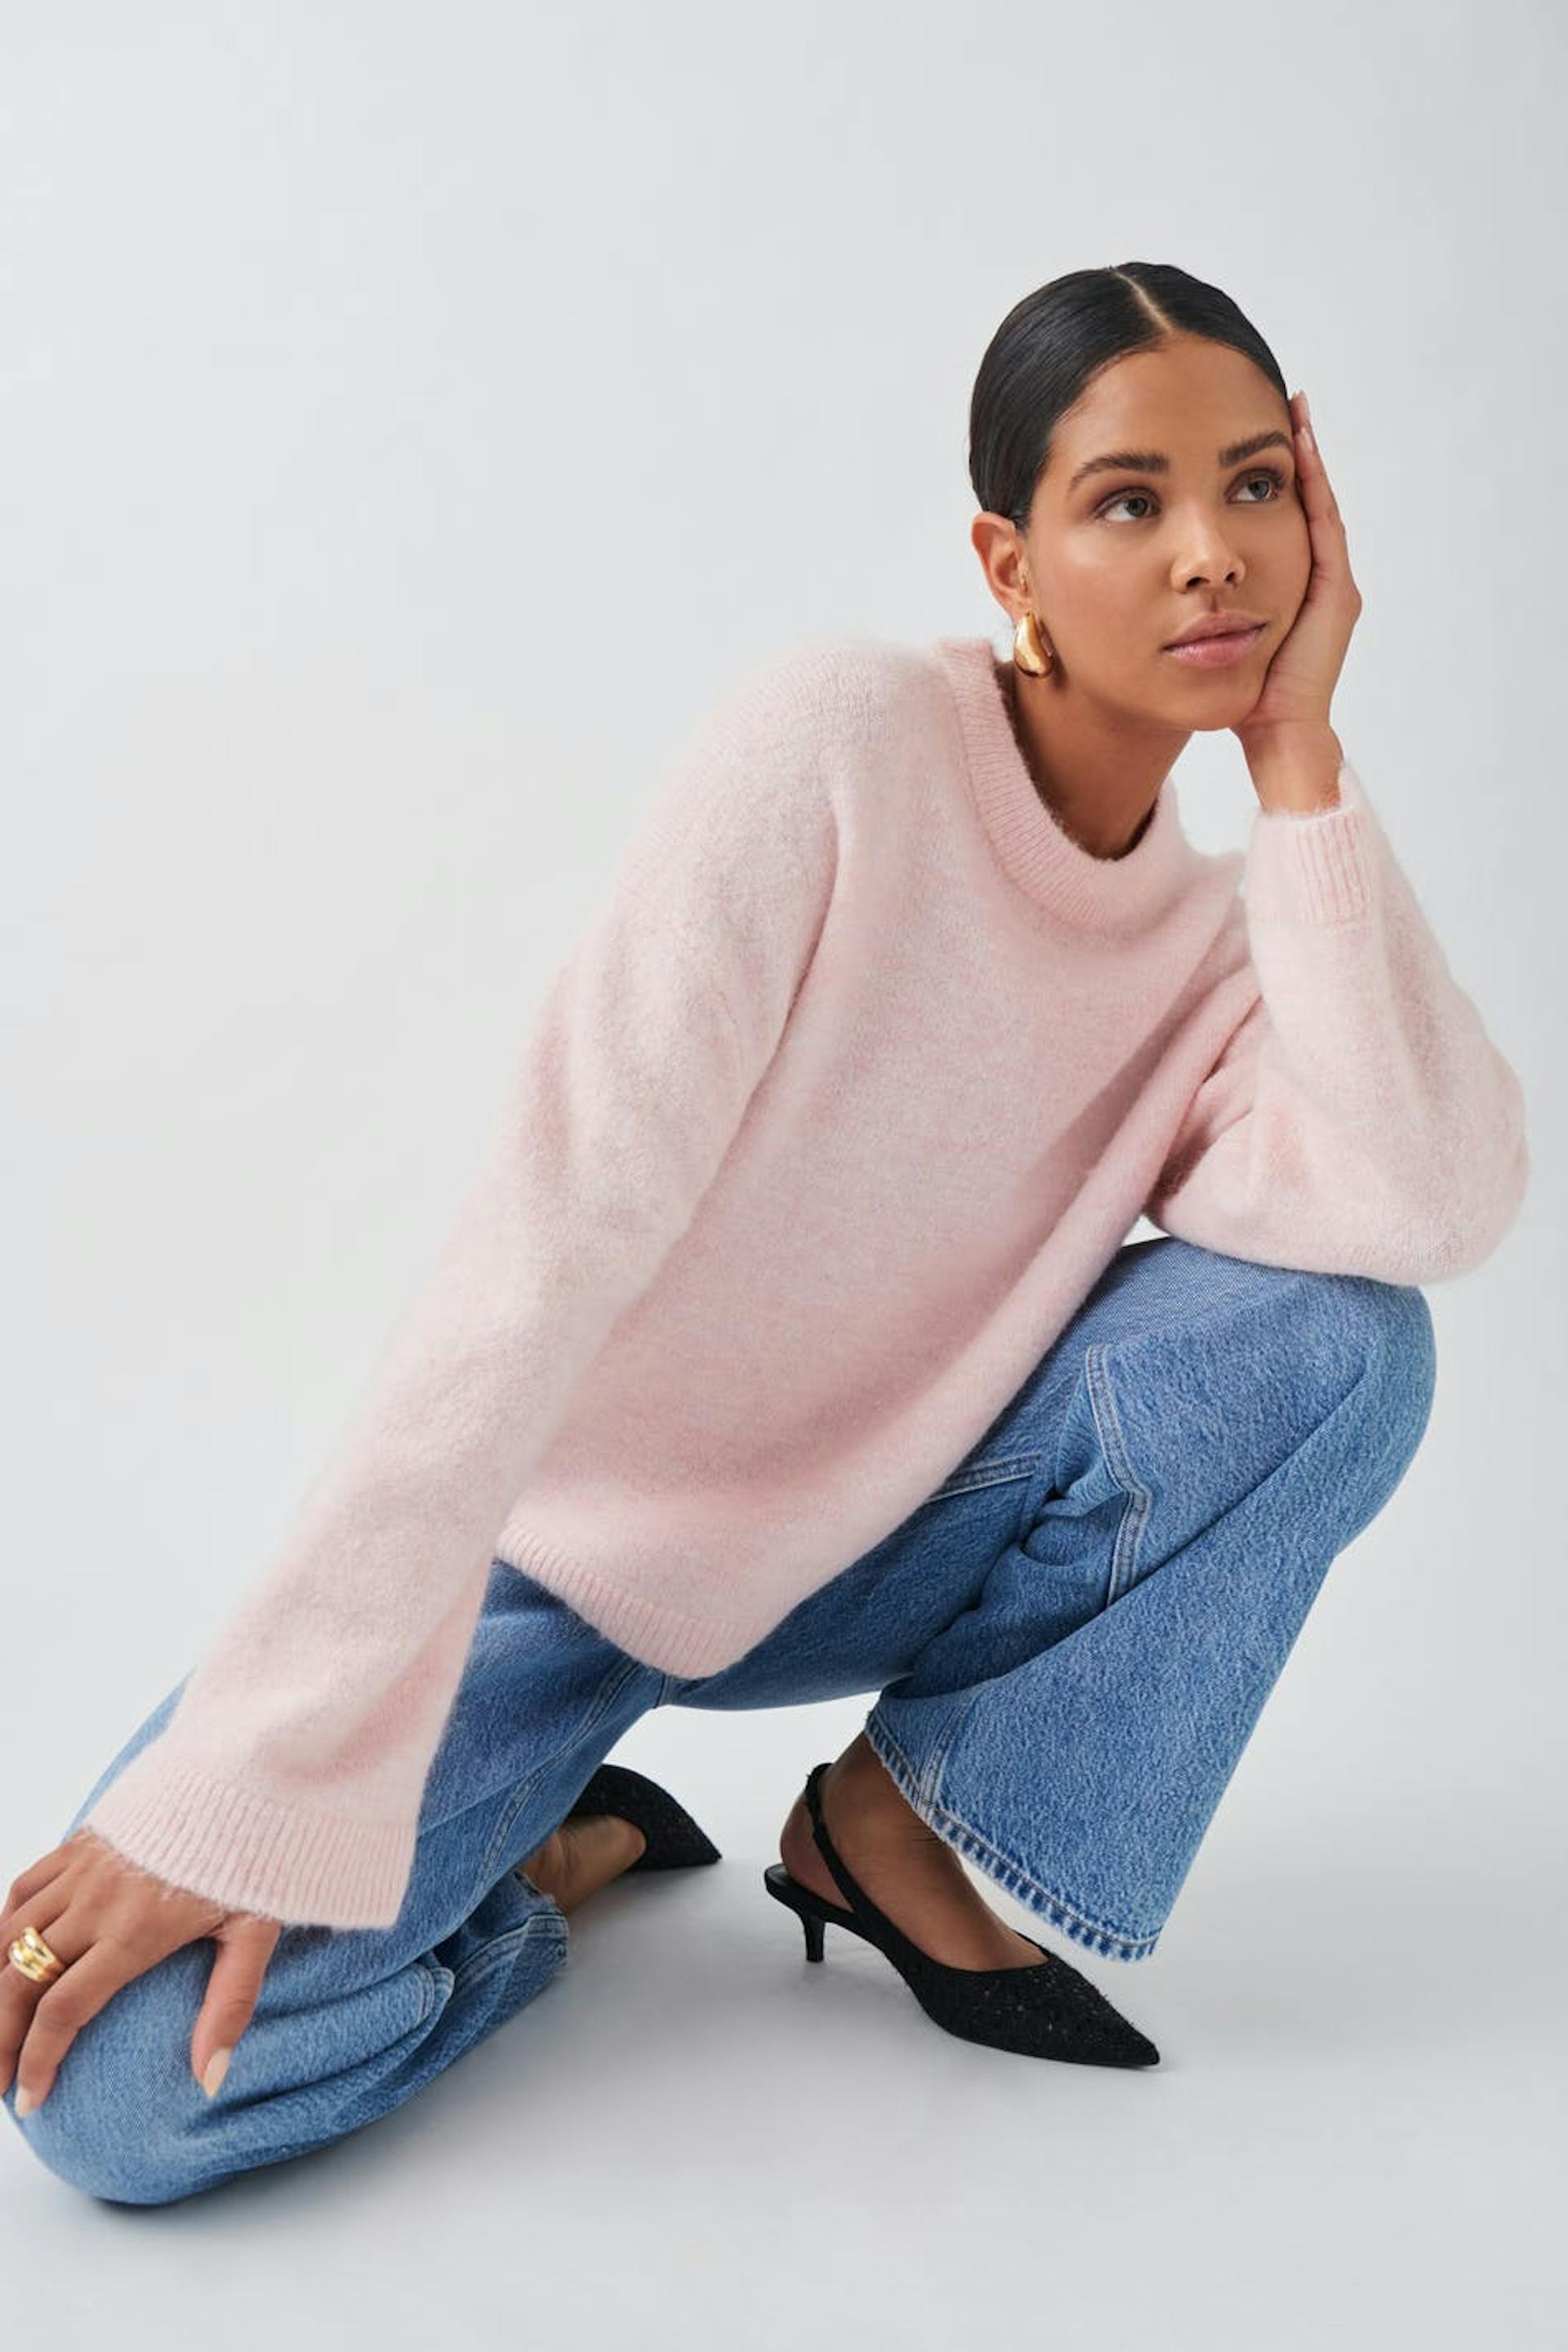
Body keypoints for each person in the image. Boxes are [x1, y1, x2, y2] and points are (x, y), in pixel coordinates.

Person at [3, 261, 1526, 2204]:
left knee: (1346, 1345)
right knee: (118, 2098)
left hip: (879, 1540)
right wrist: (251, 1770)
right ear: (1012, 561)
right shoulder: (839, 746)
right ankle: (547, 1861)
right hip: (557, 1561)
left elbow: (1424, 1205)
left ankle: (893, 1827)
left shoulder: (1230, 952)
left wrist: (1302, 759)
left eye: (1256, 486)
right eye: (1130, 501)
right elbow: (544, 1236)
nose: (1212, 553)